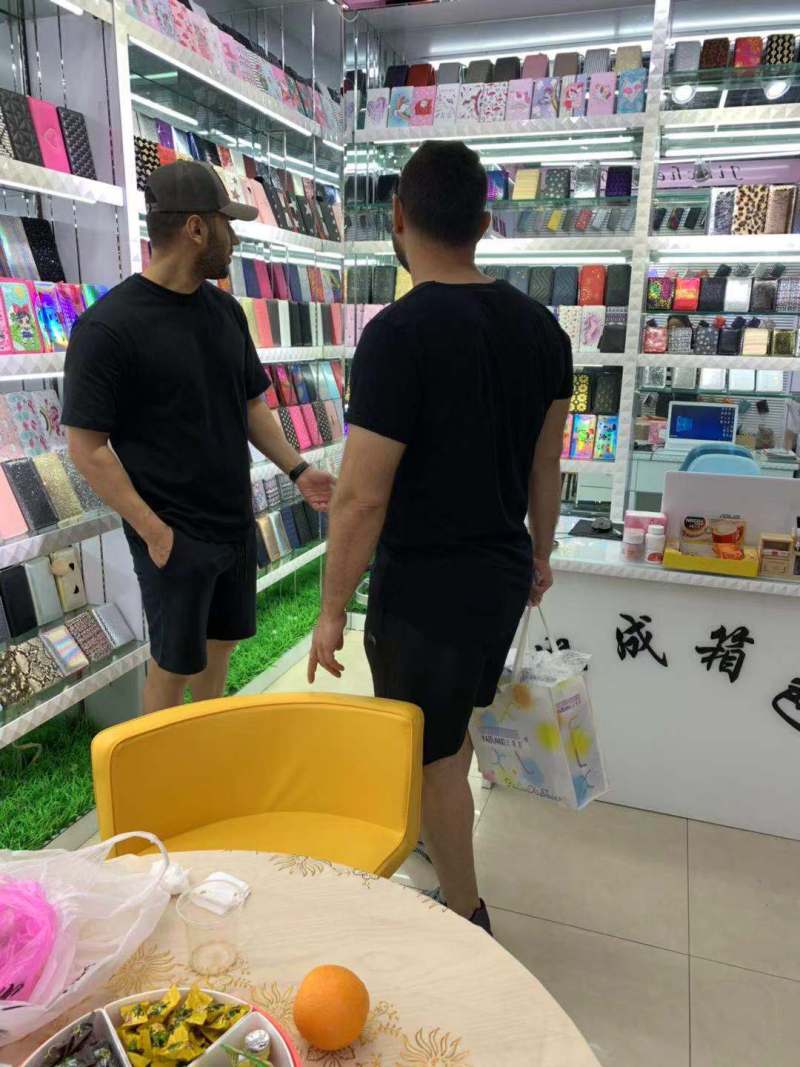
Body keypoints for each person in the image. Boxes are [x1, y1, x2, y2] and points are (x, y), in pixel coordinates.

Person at [308, 141, 572, 931]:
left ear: (397, 217)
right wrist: (541, 552)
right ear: (484, 224)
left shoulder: (397, 334)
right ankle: (441, 838)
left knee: (423, 753)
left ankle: (465, 912)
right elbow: (547, 463)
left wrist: (331, 608)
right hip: (497, 574)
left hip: (425, 589)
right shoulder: (544, 330)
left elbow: (361, 496)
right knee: (446, 732)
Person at [63, 160, 334, 715]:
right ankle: (162, 768)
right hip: (172, 533)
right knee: (171, 666)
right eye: (226, 224)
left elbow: (250, 404)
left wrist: (299, 470)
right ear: (195, 228)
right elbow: (87, 448)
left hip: (233, 521)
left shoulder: (226, 312)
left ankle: (207, 749)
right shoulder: (107, 327)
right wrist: (154, 532)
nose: (234, 239)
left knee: (221, 647)